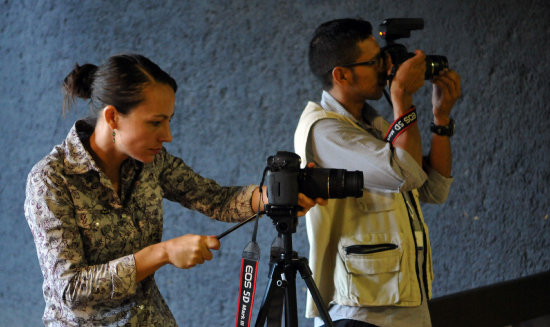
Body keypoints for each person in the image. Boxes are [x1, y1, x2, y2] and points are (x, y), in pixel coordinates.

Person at [24, 53, 324, 326]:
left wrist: (274, 196)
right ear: (113, 117)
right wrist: (163, 252)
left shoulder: (151, 162)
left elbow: (216, 200)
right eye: (155, 123)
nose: (167, 136)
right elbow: (71, 288)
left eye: (169, 121)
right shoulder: (52, 179)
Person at [293, 19, 461, 327]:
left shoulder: (372, 123)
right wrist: (402, 98)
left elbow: (433, 189)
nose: (386, 68)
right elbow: (405, 174)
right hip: (360, 313)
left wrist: (441, 119)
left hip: (401, 306)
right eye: (374, 62)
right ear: (341, 74)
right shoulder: (324, 129)